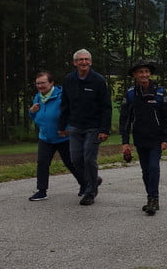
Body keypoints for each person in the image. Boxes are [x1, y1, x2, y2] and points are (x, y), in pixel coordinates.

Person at [58, 49, 112, 206]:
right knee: (75, 159)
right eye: (80, 60)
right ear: (74, 62)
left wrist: (105, 129)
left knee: (89, 158)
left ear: (91, 62)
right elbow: (65, 104)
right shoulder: (69, 80)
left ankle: (90, 192)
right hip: (75, 126)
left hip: (93, 127)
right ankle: (94, 179)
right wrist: (62, 125)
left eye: (86, 59)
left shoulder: (98, 80)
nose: (84, 62)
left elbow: (106, 107)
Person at [119, 61, 167, 216]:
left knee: (153, 168)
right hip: (140, 139)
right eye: (141, 72)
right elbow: (125, 119)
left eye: (146, 71)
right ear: (134, 75)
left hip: (157, 139)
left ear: (150, 74)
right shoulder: (130, 94)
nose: (144, 74)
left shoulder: (160, 92)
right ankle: (151, 198)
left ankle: (153, 199)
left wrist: (166, 138)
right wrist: (125, 142)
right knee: (145, 171)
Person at [27, 71, 86, 200]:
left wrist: (68, 129)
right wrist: (31, 112)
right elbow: (36, 116)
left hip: (64, 137)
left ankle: (86, 184)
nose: (40, 86)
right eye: (37, 83)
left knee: (71, 163)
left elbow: (74, 113)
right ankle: (41, 191)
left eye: (43, 83)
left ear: (51, 83)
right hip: (45, 137)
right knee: (42, 163)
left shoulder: (62, 96)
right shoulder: (38, 97)